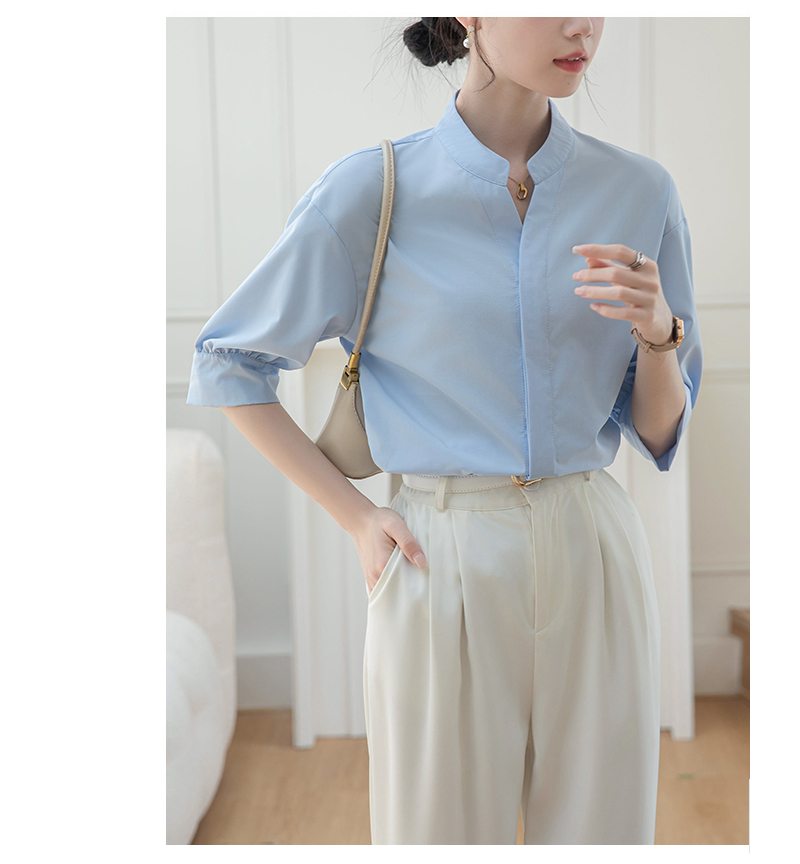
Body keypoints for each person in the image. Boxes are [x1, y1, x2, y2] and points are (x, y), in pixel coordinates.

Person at [186, 16, 702, 845]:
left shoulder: (640, 191)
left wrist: (659, 336)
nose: (582, 23)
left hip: (593, 544)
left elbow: (660, 431)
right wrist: (358, 518)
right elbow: (227, 364)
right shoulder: (373, 190)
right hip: (439, 551)